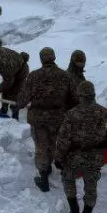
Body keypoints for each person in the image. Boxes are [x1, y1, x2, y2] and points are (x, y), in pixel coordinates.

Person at [55, 81, 107, 213]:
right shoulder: (105, 113)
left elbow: (63, 139)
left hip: (73, 157)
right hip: (94, 158)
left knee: (68, 179)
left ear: (80, 95)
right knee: (91, 186)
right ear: (93, 95)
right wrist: (101, 145)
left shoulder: (72, 114)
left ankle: (75, 211)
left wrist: (59, 158)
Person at [15, 48, 77, 192]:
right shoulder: (65, 76)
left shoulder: (34, 76)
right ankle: (57, 167)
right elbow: (74, 98)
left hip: (39, 119)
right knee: (56, 143)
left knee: (42, 146)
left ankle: (44, 178)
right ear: (54, 58)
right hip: (58, 118)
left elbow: (23, 98)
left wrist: (18, 106)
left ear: (42, 59)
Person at [0, 39, 28, 119]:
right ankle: (4, 109)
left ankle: (15, 113)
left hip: (21, 70)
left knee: (14, 91)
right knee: (6, 90)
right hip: (13, 62)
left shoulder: (5, 68)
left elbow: (9, 83)